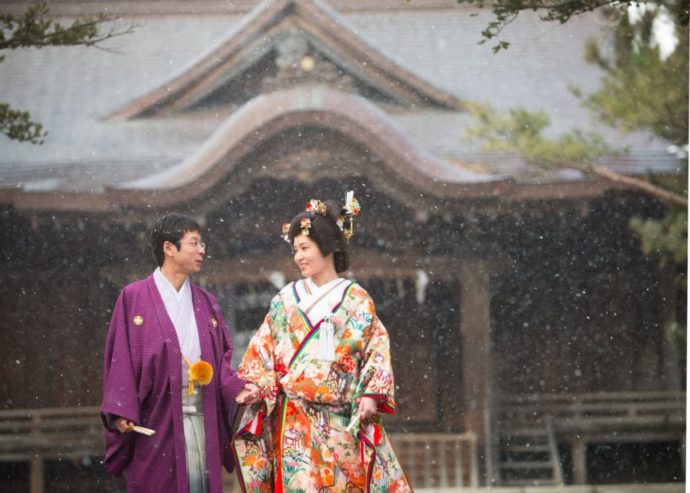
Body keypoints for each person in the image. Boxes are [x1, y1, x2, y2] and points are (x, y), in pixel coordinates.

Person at [233, 194, 412, 492]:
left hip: (339, 419)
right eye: (295, 250)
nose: (298, 257)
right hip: (293, 417)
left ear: (327, 247)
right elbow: (262, 350)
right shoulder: (285, 300)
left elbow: (376, 350)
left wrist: (371, 394)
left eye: (305, 248)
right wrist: (256, 384)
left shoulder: (356, 299)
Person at [101, 213, 257, 493]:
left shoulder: (206, 303)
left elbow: (219, 364)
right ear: (169, 248)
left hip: (200, 415)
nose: (201, 251)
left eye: (202, 244)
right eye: (194, 243)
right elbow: (121, 358)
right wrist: (121, 408)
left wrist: (238, 390)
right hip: (155, 420)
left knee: (199, 484)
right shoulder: (133, 297)